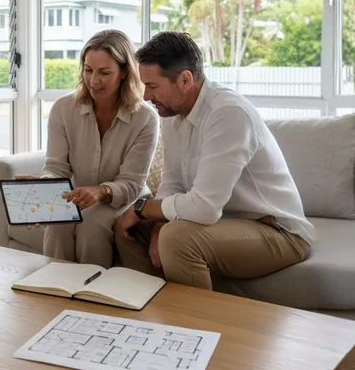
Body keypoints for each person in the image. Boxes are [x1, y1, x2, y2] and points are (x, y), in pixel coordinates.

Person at [113, 31, 316, 290]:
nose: (145, 97)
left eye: (152, 86)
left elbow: (204, 208)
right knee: (125, 228)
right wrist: (154, 224)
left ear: (185, 80)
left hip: (277, 232)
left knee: (175, 238)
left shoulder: (228, 113)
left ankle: (194, 327)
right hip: (222, 223)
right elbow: (173, 183)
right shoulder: (173, 114)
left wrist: (142, 208)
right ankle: (148, 308)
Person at [16, 29, 159, 268]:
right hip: (79, 196)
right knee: (58, 223)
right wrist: (44, 189)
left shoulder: (145, 118)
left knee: (93, 224)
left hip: (125, 197)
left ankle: (92, 293)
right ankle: (52, 286)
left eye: (104, 72)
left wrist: (101, 191)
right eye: (88, 69)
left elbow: (132, 183)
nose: (94, 80)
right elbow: (56, 167)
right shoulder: (63, 109)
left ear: (124, 72)